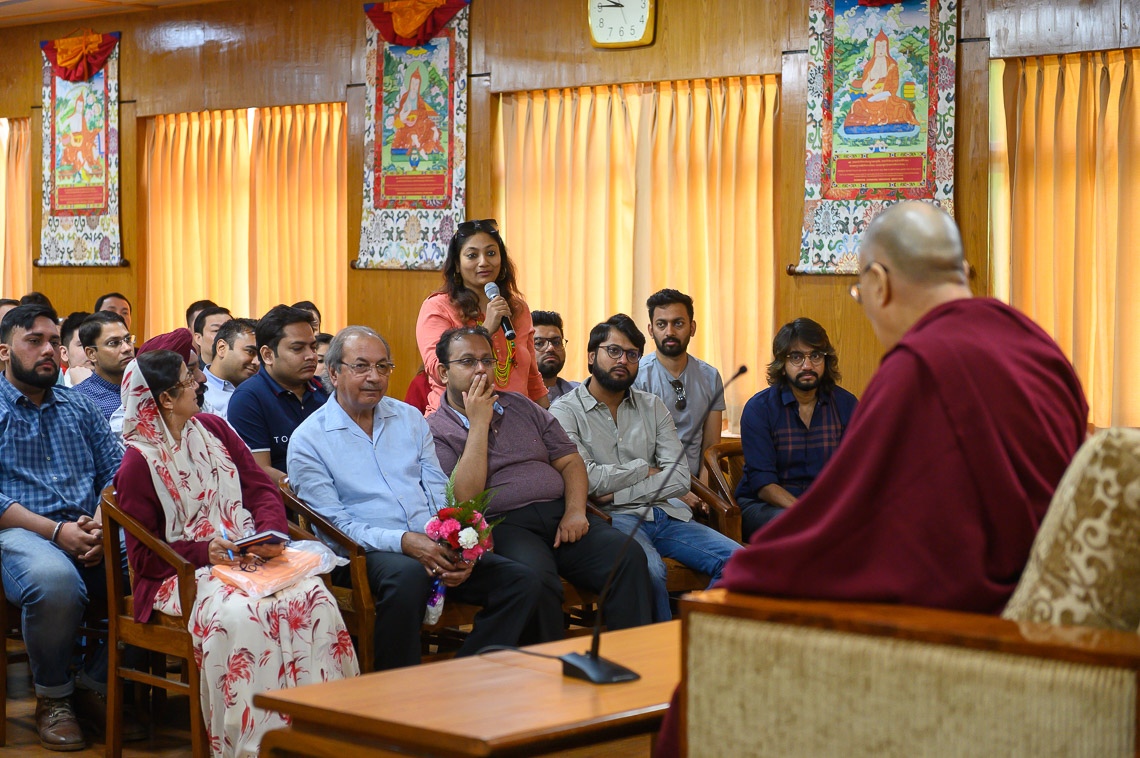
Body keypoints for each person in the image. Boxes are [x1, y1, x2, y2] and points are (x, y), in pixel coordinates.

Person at [655, 201, 1091, 757]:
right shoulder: (1036, 344)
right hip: (1044, 590)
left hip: (969, 609)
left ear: (880, 281)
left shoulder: (920, 365)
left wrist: (755, 569)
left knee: (734, 619)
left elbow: (860, 521)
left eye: (860, 295)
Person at [115, 350, 358, 757]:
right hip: (181, 573)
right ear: (165, 399)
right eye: (188, 379)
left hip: (246, 554)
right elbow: (143, 557)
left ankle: (323, 733)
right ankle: (253, 745)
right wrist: (202, 551)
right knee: (244, 615)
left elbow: (259, 486)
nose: (199, 383)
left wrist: (268, 532)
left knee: (314, 598)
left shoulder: (212, 427)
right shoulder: (139, 462)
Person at [288, 326, 540, 670]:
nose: (374, 377)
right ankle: (396, 692)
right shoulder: (310, 439)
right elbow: (335, 526)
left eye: (383, 367)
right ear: (333, 372)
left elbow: (437, 489)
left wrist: (455, 543)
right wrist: (405, 541)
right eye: (361, 367)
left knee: (522, 581)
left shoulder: (407, 418)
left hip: (430, 542)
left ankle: (464, 675)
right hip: (363, 554)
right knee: (409, 576)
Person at [428, 326, 653, 641]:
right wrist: (479, 423)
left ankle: (629, 658)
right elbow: (465, 499)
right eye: (467, 362)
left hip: (559, 513)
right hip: (503, 524)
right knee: (537, 580)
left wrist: (575, 511)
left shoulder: (522, 406)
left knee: (626, 555)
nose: (481, 369)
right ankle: (550, 677)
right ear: (443, 372)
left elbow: (571, 461)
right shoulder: (436, 429)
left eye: (487, 361)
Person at [0, 304, 144, 750]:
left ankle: (92, 682)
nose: (49, 350)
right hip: (19, 534)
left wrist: (103, 524)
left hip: (89, 528)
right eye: (35, 341)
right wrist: (56, 532)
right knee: (55, 580)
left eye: (55, 343)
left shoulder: (78, 406)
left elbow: (117, 473)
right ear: (4, 352)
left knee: (163, 565)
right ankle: (54, 698)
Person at [550, 314, 741, 622]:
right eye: (613, 351)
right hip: (614, 522)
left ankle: (695, 637)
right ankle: (659, 658)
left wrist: (616, 493)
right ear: (590, 355)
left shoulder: (652, 405)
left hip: (666, 514)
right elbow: (590, 480)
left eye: (632, 354)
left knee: (741, 561)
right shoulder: (564, 411)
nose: (622, 360)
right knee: (650, 569)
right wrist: (644, 469)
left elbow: (679, 478)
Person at [736, 318, 858, 540]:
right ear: (781, 363)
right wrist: (807, 512)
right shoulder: (759, 409)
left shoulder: (846, 405)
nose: (807, 365)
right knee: (797, 526)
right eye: (796, 357)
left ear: (826, 361)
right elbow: (764, 485)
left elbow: (855, 472)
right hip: (765, 508)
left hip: (826, 508)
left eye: (816, 356)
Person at [416, 219, 548, 414]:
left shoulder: (517, 309)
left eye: (491, 253)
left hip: (515, 423)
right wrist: (485, 330)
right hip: (456, 423)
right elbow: (438, 370)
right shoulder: (437, 307)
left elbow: (532, 378)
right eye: (472, 255)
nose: (484, 262)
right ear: (458, 265)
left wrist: (548, 425)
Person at [228, 305, 326, 483]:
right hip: (286, 502)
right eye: (297, 349)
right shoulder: (248, 397)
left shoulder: (325, 391)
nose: (311, 356)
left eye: (313, 347)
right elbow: (260, 470)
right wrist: (312, 491)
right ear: (267, 355)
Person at [633, 289, 724, 480]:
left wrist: (706, 497)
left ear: (692, 328)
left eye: (678, 323)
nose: (670, 332)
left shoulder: (710, 376)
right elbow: (639, 452)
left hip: (698, 483)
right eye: (661, 324)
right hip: (654, 484)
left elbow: (710, 447)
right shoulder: (637, 376)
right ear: (650, 330)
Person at [845, 29, 919, 130]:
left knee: (903, 106)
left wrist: (884, 95)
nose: (880, 50)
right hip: (871, 98)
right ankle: (881, 118)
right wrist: (874, 82)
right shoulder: (869, 66)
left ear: (887, 48)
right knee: (856, 105)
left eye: (883, 47)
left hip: (888, 98)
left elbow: (894, 87)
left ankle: (880, 118)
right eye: (878, 47)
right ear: (875, 48)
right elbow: (865, 88)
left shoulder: (892, 65)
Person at [73, 311, 134, 421]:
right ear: (91, 354)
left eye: (128, 340)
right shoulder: (80, 401)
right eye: (113, 343)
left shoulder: (148, 387)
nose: (127, 348)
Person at [203, 318, 260, 419]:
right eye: (250, 352)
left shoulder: (262, 391)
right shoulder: (195, 392)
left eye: (260, 356)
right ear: (222, 348)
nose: (257, 362)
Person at [532, 310, 578, 402]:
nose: (550, 348)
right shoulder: (515, 398)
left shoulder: (580, 394)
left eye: (556, 342)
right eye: (539, 343)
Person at [59, 310, 93, 387]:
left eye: (94, 343)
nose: (91, 351)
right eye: (82, 345)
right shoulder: (57, 391)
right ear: (64, 353)